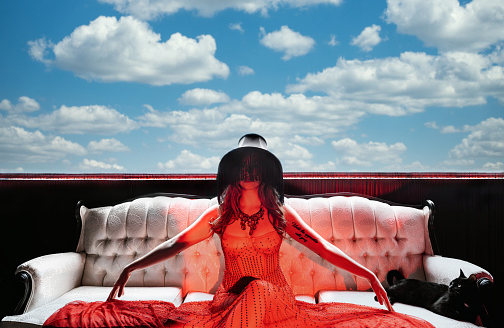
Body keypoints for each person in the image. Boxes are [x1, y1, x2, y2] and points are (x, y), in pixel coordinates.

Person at [44, 134, 434, 328]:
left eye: (256, 164)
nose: (249, 171)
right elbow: (174, 243)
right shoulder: (220, 214)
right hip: (227, 302)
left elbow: (328, 250)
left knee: (258, 286)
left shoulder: (282, 215)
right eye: (242, 164)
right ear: (234, 170)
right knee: (243, 288)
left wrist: (369, 275)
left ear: (265, 171)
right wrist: (128, 269)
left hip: (276, 301)